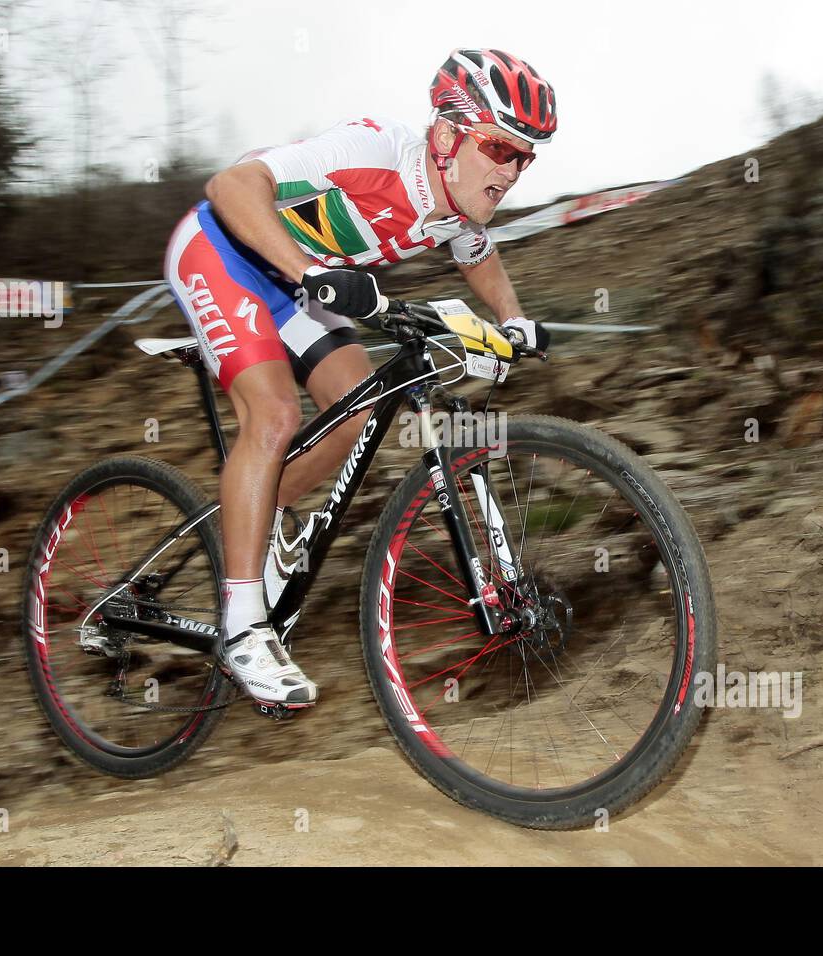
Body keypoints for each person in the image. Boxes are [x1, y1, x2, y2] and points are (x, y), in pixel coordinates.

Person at [163, 48, 556, 709]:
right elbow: (230, 188)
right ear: (445, 135)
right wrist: (313, 272)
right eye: (499, 148)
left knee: (357, 404)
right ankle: (240, 628)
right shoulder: (373, 153)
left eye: (525, 156)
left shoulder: (457, 207)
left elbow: (479, 256)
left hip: (294, 283)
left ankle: (262, 524)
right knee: (276, 415)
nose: (510, 171)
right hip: (222, 248)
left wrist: (514, 321)